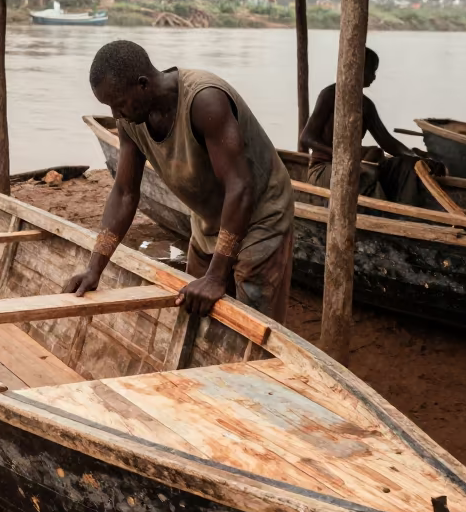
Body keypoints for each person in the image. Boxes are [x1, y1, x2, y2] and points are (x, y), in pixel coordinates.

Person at [65, 40, 295, 321]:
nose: (116, 115)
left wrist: (216, 277)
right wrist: (94, 268)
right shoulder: (131, 120)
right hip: (210, 218)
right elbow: (125, 192)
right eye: (109, 107)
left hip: (261, 215)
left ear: (143, 84)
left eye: (119, 104)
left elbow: (241, 186)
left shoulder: (204, 100)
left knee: (255, 316)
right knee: (195, 309)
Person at [300, 47, 438, 203]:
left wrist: (417, 158)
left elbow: (388, 143)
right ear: (357, 69)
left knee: (406, 165)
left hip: (352, 166)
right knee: (364, 174)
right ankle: (381, 214)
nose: (374, 76)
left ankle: (405, 213)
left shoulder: (366, 105)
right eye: (371, 70)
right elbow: (307, 138)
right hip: (324, 169)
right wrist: (345, 156)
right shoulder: (330, 95)